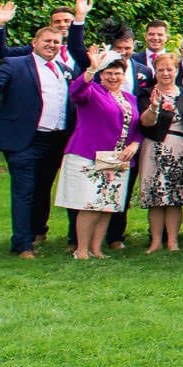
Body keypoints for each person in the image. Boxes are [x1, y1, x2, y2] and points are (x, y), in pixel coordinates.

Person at [0, 19, 75, 257]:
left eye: (56, 42)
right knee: (25, 190)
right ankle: (22, 244)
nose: (51, 45)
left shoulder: (64, 70)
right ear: (34, 43)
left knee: (43, 189)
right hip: (25, 140)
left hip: (55, 140)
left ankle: (36, 232)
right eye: (47, 41)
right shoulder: (16, 64)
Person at [56, 49, 140, 259]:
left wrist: (135, 144)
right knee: (90, 204)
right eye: (108, 73)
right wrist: (91, 69)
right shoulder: (92, 91)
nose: (113, 77)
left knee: (106, 204)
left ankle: (96, 248)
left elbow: (136, 126)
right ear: (101, 75)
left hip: (117, 158)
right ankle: (81, 249)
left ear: (124, 75)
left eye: (118, 74)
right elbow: (76, 91)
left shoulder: (130, 98)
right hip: (88, 155)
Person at [135, 52, 183, 254]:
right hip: (155, 146)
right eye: (161, 70)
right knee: (156, 196)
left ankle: (173, 241)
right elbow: (146, 122)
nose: (165, 73)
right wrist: (154, 107)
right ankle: (155, 241)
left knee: (175, 197)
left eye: (169, 69)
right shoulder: (147, 93)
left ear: (177, 70)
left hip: (180, 148)